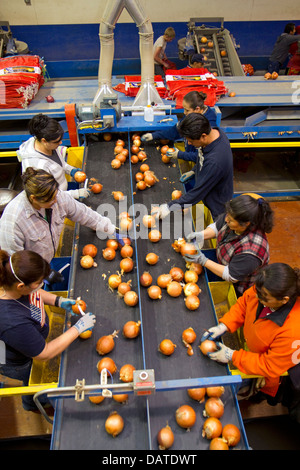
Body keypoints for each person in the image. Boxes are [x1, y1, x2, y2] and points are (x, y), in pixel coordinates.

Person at [0, 249, 95, 411]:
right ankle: (32, 403)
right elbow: (44, 353)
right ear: (21, 286)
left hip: (29, 337)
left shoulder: (13, 281)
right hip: (18, 360)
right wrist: (77, 329)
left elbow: (35, 294)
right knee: (31, 379)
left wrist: (58, 301)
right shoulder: (12, 321)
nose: (41, 285)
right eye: (39, 282)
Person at [201, 263, 300, 415]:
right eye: (257, 292)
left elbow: (269, 365)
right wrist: (225, 325)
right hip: (250, 349)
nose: (258, 298)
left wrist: (232, 356)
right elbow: (244, 303)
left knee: (251, 388)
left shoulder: (293, 330)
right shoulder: (263, 289)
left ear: (284, 300)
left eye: (264, 298)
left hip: (264, 368)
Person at [0, 167, 116, 264]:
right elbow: (14, 264)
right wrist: (39, 275)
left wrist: (109, 228)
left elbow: (83, 213)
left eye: (56, 195)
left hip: (48, 258)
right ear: (33, 199)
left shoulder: (56, 196)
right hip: (33, 272)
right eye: (50, 200)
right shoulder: (13, 223)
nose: (56, 201)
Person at [184, 193, 274, 297]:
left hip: (237, 285)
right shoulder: (234, 216)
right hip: (223, 261)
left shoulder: (251, 251)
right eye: (227, 215)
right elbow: (217, 227)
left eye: (230, 220)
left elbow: (231, 275)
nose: (226, 220)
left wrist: (204, 261)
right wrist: (200, 235)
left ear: (246, 223)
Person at [153, 113, 233, 220]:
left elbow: (197, 193)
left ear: (203, 136)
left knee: (219, 227)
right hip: (209, 191)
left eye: (191, 141)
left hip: (217, 205)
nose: (189, 143)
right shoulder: (213, 133)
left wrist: (169, 207)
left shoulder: (216, 161)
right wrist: (194, 171)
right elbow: (202, 156)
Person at [17, 114, 90, 200]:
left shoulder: (45, 144)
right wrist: (75, 194)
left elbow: (59, 163)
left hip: (63, 189)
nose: (60, 143)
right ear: (44, 141)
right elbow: (48, 196)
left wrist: (70, 170)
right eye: (57, 141)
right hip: (55, 200)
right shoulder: (37, 167)